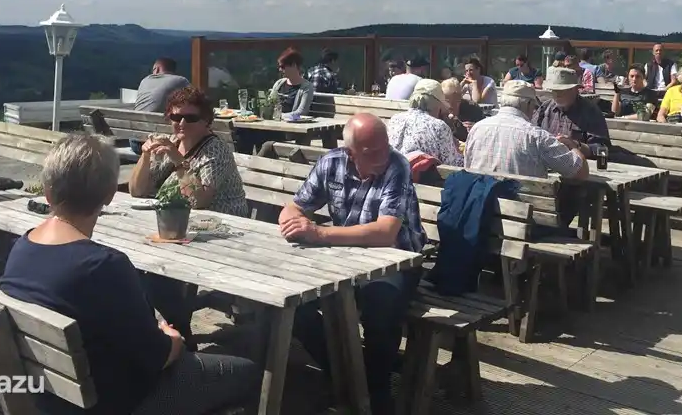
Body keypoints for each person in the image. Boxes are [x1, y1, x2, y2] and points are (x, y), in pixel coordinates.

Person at [0, 134, 258, 415]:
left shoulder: (21, 248)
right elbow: (157, 358)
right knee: (249, 374)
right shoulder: (104, 265)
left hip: (48, 396)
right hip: (113, 403)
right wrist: (172, 339)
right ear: (110, 194)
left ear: (48, 194)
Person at [279, 114, 425, 415]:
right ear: (350, 153)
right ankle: (344, 372)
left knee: (379, 304)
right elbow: (293, 207)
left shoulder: (397, 166)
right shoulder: (331, 163)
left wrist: (319, 233)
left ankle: (377, 392)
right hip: (345, 259)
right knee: (293, 303)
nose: (383, 156)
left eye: (385, 147)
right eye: (372, 152)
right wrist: (295, 222)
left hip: (397, 260)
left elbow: (386, 234)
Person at [128, 86, 247, 346]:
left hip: (218, 230)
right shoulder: (172, 143)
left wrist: (177, 159)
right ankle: (162, 332)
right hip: (180, 226)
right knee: (134, 266)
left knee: (152, 272)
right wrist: (146, 155)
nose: (181, 123)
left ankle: (178, 334)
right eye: (175, 117)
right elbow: (136, 190)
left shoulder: (215, 150)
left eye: (190, 118)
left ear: (206, 122)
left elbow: (199, 200)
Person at [464, 80, 589, 179]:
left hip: (481, 206)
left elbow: (467, 166)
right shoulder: (536, 136)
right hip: (525, 209)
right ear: (529, 104)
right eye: (534, 106)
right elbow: (580, 172)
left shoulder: (476, 129)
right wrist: (573, 146)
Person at [386, 79, 463, 167]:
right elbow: (452, 163)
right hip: (421, 179)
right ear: (437, 104)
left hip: (392, 175)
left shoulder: (395, 119)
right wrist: (457, 150)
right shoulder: (439, 126)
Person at [531, 67, 610, 148]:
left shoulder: (591, 112)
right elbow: (532, 133)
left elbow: (602, 147)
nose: (557, 94)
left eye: (562, 90)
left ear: (575, 90)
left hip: (579, 159)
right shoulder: (545, 108)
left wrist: (575, 145)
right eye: (554, 90)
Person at [132, 59, 191, 155]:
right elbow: (194, 102)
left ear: (157, 69)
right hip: (161, 144)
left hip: (135, 142)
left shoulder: (145, 80)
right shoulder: (180, 81)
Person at [439, 77, 483, 141]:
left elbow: (484, 130)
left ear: (460, 97)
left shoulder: (473, 108)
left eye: (456, 100)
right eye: (447, 101)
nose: (451, 105)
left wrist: (475, 128)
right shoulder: (437, 109)